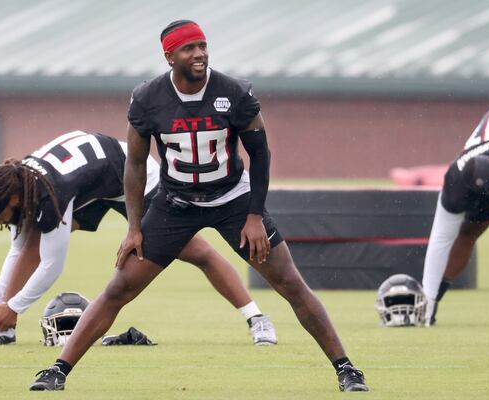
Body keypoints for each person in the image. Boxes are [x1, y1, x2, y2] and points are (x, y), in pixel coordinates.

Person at [30, 20, 368, 392]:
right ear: (169, 56)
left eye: (203, 46)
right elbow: (136, 164)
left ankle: (347, 368)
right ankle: (57, 370)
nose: (200, 54)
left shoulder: (234, 92)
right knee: (119, 288)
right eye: (189, 48)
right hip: (176, 203)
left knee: (290, 283)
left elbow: (261, 155)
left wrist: (255, 215)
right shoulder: (147, 98)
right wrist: (135, 227)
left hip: (234, 200)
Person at [0, 130, 277, 346]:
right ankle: (3, 329)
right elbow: (19, 247)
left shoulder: (47, 194)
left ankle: (256, 317)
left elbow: (52, 265)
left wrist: (14, 306)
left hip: (134, 176)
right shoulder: (21, 183)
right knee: (31, 241)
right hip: (93, 184)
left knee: (195, 252)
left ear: (13, 194)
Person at [422, 102, 489, 326]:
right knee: (468, 233)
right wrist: (427, 300)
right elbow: (441, 237)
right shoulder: (456, 181)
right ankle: (434, 300)